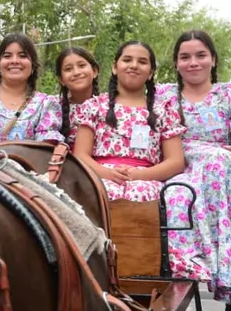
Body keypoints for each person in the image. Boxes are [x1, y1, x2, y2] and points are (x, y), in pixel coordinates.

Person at [158, 30, 231, 311]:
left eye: (200, 55)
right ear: (176, 63)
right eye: (185, 57)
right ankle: (182, 266)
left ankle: (224, 276)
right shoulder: (164, 95)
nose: (193, 62)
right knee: (176, 195)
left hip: (219, 165)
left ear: (213, 59)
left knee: (221, 162)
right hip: (177, 162)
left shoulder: (228, 93)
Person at [72, 40, 185, 201]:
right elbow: (80, 155)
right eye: (127, 60)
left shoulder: (163, 111)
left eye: (142, 62)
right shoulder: (94, 106)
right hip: (100, 176)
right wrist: (109, 174)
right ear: (114, 67)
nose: (134, 65)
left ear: (151, 72)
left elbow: (176, 161)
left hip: (147, 181)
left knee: (139, 193)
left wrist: (140, 175)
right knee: (103, 192)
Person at [55, 46, 100, 150]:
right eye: (68, 69)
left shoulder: (107, 106)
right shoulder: (53, 107)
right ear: (61, 80)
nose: (76, 72)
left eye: (81, 65)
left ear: (95, 71)